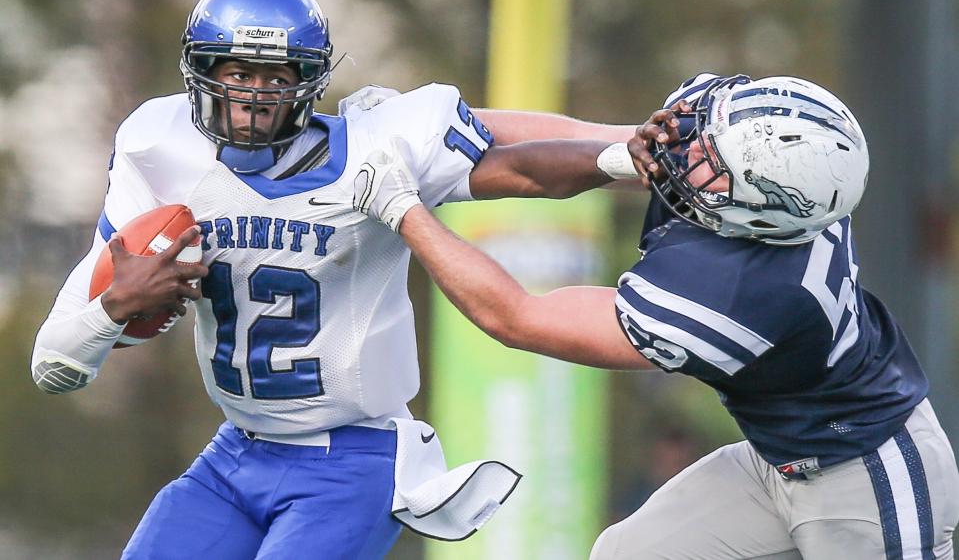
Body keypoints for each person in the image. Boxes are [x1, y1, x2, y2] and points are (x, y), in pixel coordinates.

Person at [30, 0, 652, 559]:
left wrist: (631, 155)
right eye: (239, 72)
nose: (253, 94)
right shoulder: (157, 147)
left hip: (352, 459)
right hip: (236, 454)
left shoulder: (376, 149)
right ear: (202, 71)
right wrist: (114, 307)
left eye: (275, 78)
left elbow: (520, 165)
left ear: (307, 81)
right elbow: (54, 366)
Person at [355, 72, 959, 559]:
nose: (689, 150)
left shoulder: (745, 294)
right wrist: (424, 133)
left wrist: (404, 208)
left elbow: (516, 317)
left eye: (712, 165)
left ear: (762, 217)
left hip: (870, 475)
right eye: (706, 136)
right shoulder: (766, 162)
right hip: (777, 456)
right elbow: (586, 137)